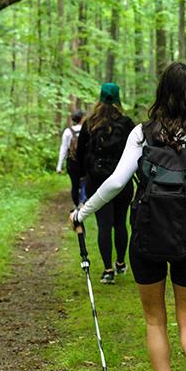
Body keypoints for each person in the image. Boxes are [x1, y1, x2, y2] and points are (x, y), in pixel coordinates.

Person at [70, 63, 186, 371]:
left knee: (155, 320)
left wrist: (83, 211)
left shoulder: (141, 134)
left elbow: (114, 184)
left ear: (162, 93)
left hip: (146, 237)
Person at [75, 83, 135, 284]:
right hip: (123, 180)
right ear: (118, 99)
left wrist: (82, 178)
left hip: (97, 180)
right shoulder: (127, 124)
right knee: (120, 223)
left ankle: (108, 270)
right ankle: (120, 263)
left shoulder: (90, 123)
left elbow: (80, 154)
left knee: (104, 224)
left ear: (99, 98)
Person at [57, 110, 85, 207]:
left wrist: (59, 166)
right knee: (84, 182)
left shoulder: (67, 131)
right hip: (84, 162)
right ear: (82, 119)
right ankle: (82, 202)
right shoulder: (86, 129)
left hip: (72, 162)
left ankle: (76, 204)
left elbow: (63, 148)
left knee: (75, 185)